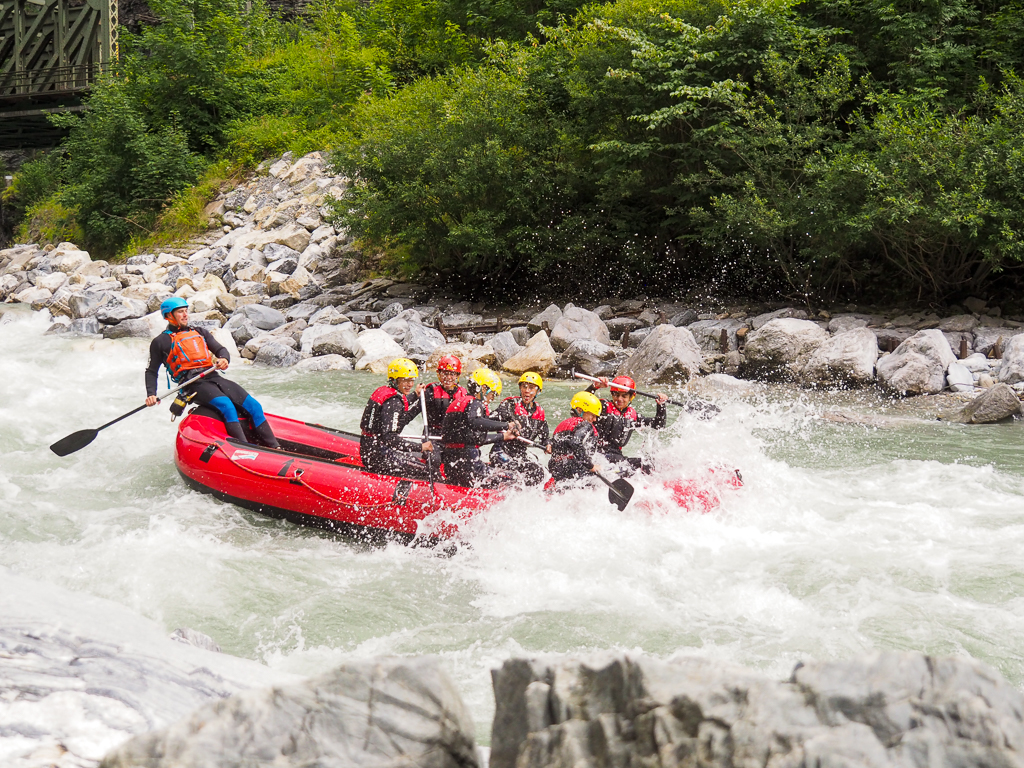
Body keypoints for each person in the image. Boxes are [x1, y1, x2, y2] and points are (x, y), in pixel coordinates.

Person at [146, 297, 279, 448]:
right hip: (193, 384)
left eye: (186, 311)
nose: (185, 315)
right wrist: (151, 393)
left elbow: (221, 350)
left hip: (213, 376)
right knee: (226, 405)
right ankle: (244, 448)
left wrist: (224, 359)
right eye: (180, 312)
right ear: (169, 316)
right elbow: (151, 371)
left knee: (254, 406)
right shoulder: (160, 342)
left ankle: (275, 447)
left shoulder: (199, 332)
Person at [441, 367, 519, 488]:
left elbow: (475, 438)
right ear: (483, 388)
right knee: (513, 477)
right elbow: (475, 421)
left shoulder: (461, 402)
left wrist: (503, 436)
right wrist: (506, 425)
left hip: (452, 464)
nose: (492, 398)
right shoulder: (474, 403)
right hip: (468, 465)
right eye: (492, 393)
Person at [359, 358, 435, 480]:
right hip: (379, 456)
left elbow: (400, 411)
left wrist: (416, 395)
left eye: (411, 380)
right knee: (429, 471)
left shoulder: (386, 391)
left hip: (370, 449)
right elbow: (391, 439)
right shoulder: (393, 402)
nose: (410, 384)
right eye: (405, 380)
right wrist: (421, 447)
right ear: (395, 380)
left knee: (413, 460)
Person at [585, 375, 668, 474]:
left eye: (624, 396)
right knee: (622, 466)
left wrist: (661, 406)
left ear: (631, 397)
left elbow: (659, 425)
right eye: (616, 395)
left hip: (617, 456)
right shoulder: (602, 407)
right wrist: (595, 386)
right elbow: (582, 402)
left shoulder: (633, 416)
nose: (619, 399)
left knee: (648, 464)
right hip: (596, 454)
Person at [488, 372, 551, 486]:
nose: (527, 391)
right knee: (519, 473)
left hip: (520, 454)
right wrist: (509, 424)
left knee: (541, 473)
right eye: (524, 387)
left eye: (531, 388)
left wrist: (548, 445)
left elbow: (545, 438)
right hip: (501, 450)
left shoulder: (539, 413)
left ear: (538, 391)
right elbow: (489, 419)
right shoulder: (510, 404)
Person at [547, 391, 602, 484]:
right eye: (592, 415)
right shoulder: (585, 425)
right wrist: (590, 466)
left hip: (556, 468)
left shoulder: (563, 424)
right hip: (573, 470)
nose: (594, 419)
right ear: (580, 410)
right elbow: (575, 442)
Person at [422, 355, 466, 437]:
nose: (448, 377)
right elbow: (410, 414)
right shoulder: (429, 392)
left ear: (457, 375)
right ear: (439, 374)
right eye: (445, 373)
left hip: (454, 437)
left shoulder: (463, 394)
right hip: (433, 435)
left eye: (452, 374)